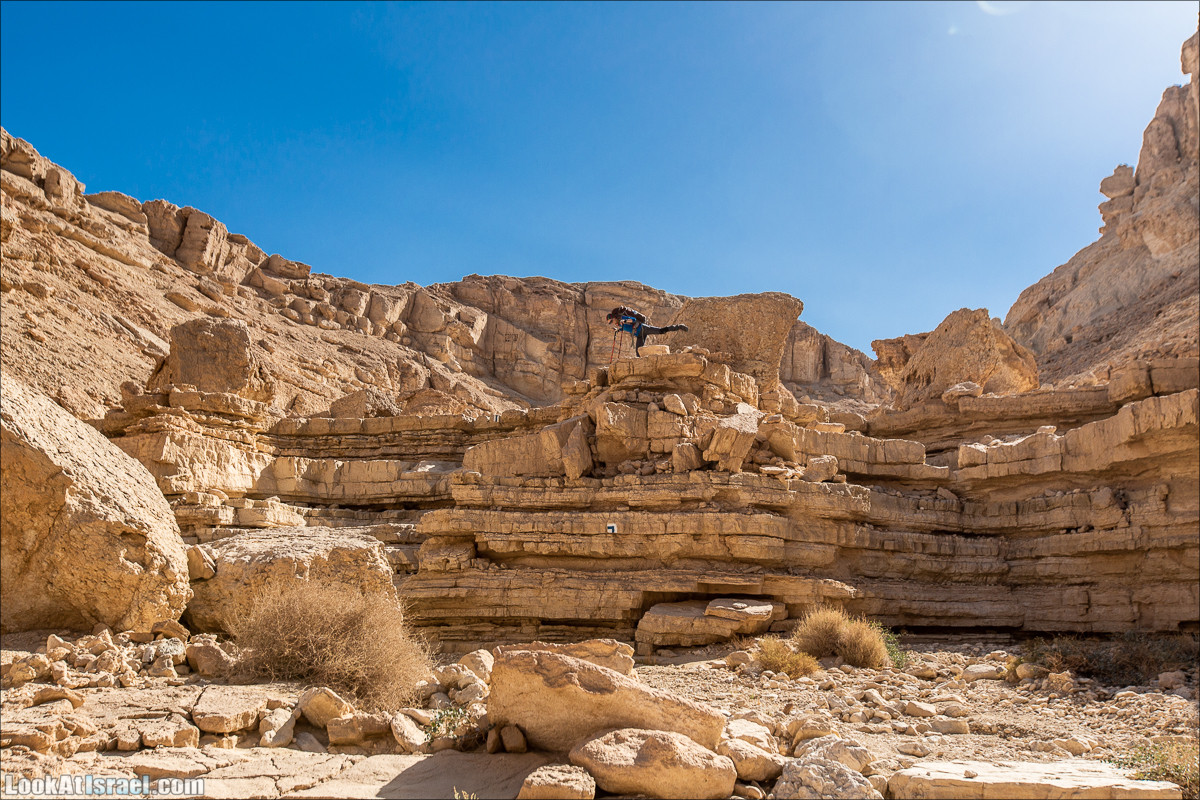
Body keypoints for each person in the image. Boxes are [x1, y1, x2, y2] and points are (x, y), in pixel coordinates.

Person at [605, 306, 689, 356]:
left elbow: (633, 320)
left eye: (611, 321)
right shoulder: (619, 324)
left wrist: (625, 321)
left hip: (643, 328)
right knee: (638, 353)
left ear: (614, 317)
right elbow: (625, 328)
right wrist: (618, 330)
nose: (612, 323)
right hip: (638, 334)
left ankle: (679, 326)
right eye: (610, 323)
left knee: (661, 331)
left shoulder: (622, 319)